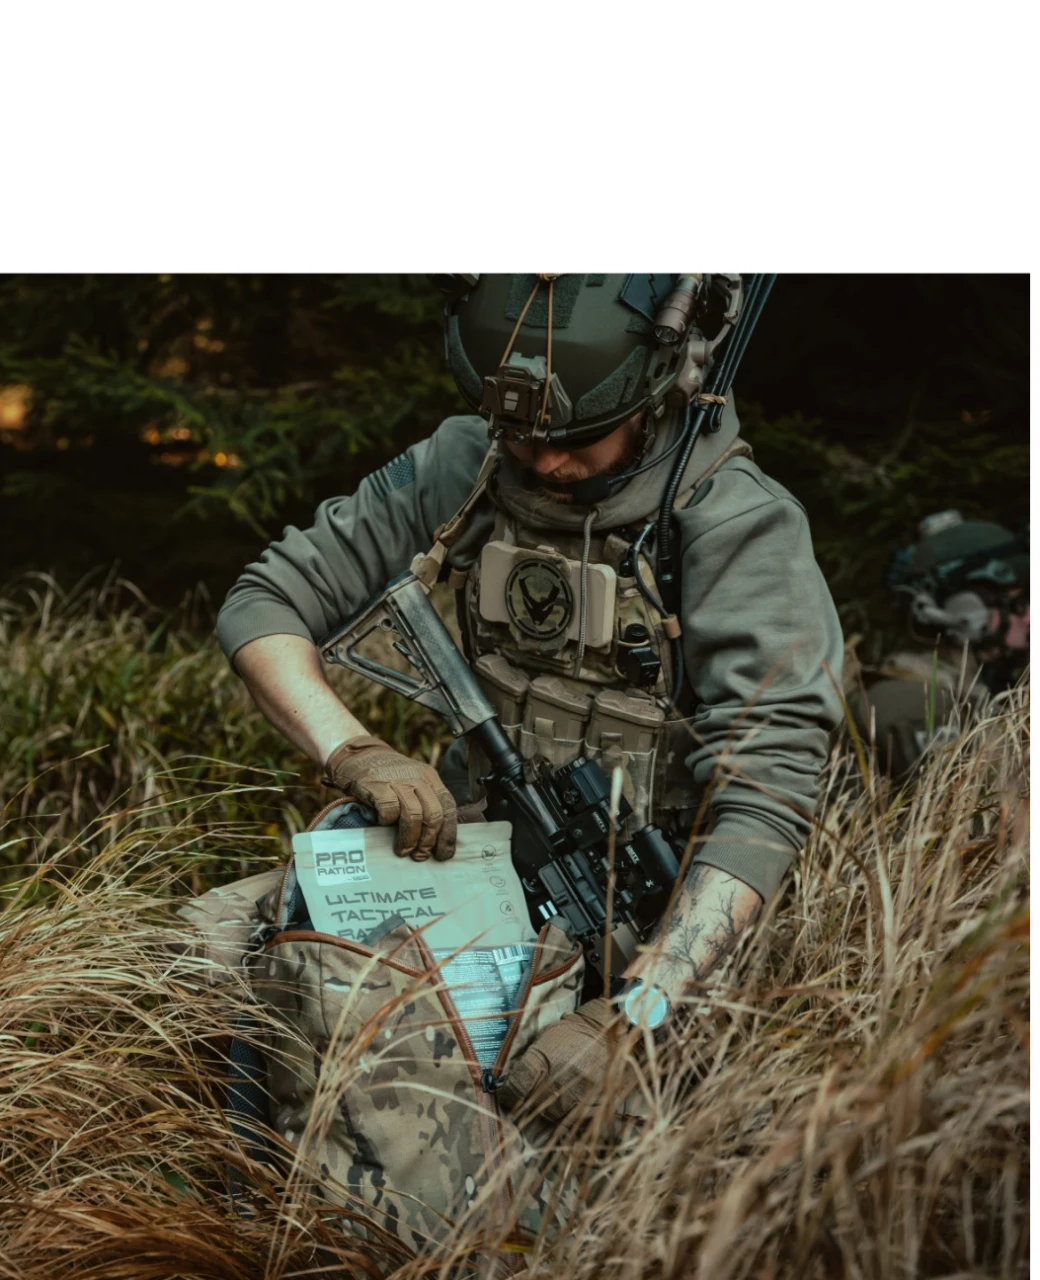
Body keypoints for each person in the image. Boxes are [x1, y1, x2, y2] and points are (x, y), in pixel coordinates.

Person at [216, 273, 845, 1123]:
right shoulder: (469, 463)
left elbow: (764, 797)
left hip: (656, 935)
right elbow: (265, 603)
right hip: (467, 864)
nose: (544, 461)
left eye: (578, 437)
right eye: (519, 434)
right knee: (203, 959)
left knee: (433, 1103)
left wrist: (640, 1013)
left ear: (661, 394)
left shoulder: (736, 525)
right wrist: (353, 750)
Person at [846, 509, 1028, 781]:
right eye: (1020, 604)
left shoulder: (967, 691)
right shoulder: (914, 706)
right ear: (963, 611)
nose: (1030, 618)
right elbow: (989, 800)